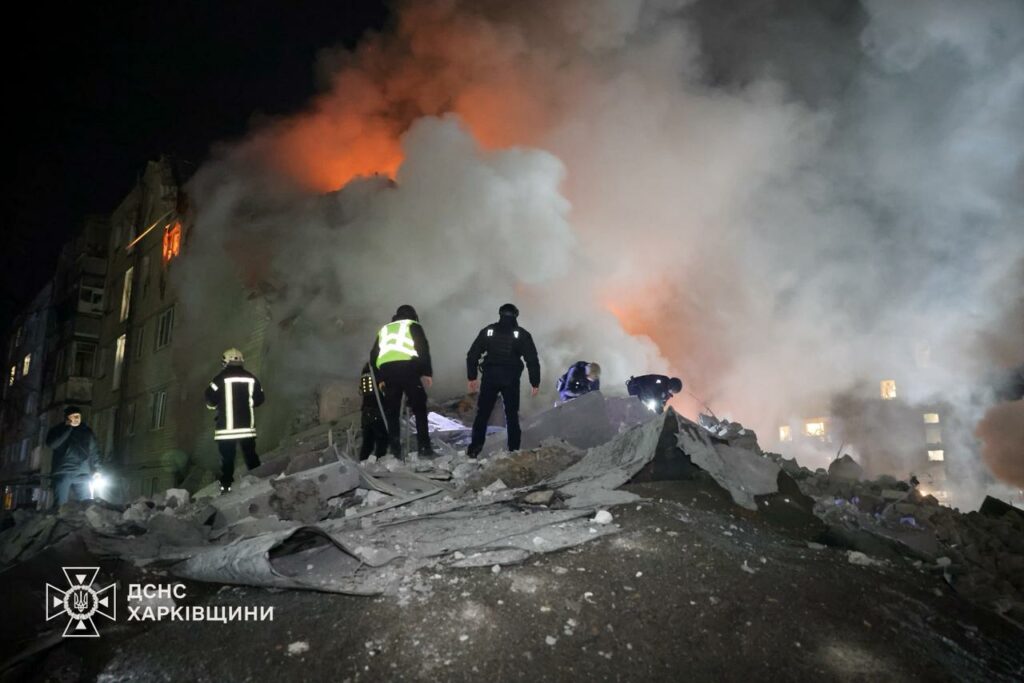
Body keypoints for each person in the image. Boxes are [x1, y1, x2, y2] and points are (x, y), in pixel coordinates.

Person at [465, 303, 541, 458]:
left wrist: (472, 377)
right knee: (512, 415)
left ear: (500, 314)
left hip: (490, 378)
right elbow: (532, 360)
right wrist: (535, 382)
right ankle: (513, 451)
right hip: (511, 379)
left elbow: (472, 355)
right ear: (516, 315)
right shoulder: (521, 334)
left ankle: (474, 450)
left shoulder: (489, 331)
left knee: (483, 414)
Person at [370, 305, 434, 458]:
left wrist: (380, 379)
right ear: (413, 316)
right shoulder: (413, 325)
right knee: (419, 407)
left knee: (392, 412)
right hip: (409, 369)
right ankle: (424, 448)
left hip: (388, 373)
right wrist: (427, 373)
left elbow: (373, 356)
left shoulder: (385, 330)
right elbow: (422, 348)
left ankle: (395, 451)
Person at [205, 348, 265, 493]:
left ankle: (226, 486)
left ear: (225, 361)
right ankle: (259, 482)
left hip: (226, 429)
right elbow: (260, 399)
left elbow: (209, 400)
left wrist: (216, 405)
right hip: (246, 428)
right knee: (251, 455)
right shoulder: (251, 378)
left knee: (227, 459)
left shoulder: (219, 379)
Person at [46, 405, 100, 505]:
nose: (76, 419)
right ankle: (59, 519)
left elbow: (94, 452)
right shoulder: (58, 430)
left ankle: (85, 520)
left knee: (87, 503)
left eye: (78, 416)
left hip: (82, 472)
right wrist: (68, 428)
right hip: (63, 472)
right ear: (67, 417)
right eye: (73, 416)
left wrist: (96, 469)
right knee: (60, 504)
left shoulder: (86, 431)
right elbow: (52, 444)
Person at [359, 362, 389, 460]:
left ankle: (363, 465)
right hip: (377, 412)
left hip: (366, 413)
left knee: (368, 444)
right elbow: (386, 391)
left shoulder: (366, 371)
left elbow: (361, 391)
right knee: (382, 441)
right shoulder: (379, 370)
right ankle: (379, 467)